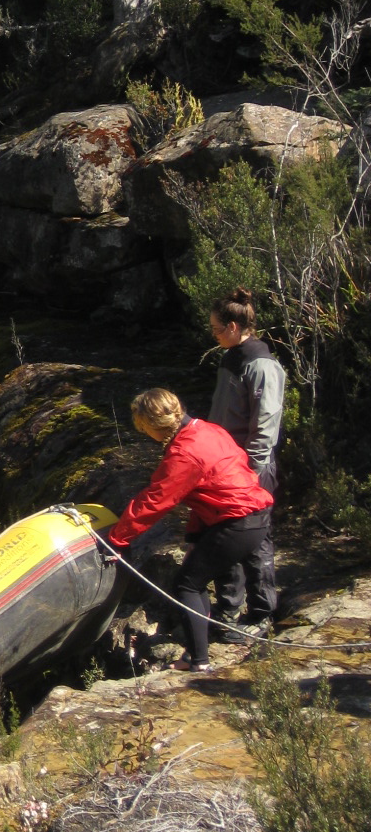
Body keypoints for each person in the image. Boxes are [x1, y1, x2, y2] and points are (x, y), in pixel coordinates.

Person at [106, 388, 273, 674]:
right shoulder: (207, 430)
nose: (145, 434)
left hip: (237, 522)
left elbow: (156, 500)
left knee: (187, 585)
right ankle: (199, 651)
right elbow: (208, 491)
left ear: (153, 424)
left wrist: (117, 539)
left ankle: (198, 661)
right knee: (197, 577)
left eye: (143, 428)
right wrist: (195, 537)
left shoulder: (184, 453)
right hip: (253, 516)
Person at [208, 287, 285, 635]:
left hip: (251, 469)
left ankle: (261, 613)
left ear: (234, 326)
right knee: (224, 537)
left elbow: (265, 427)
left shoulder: (262, 366)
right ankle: (227, 611)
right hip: (224, 466)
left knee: (255, 540)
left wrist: (250, 471)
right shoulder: (230, 359)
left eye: (217, 329)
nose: (213, 334)